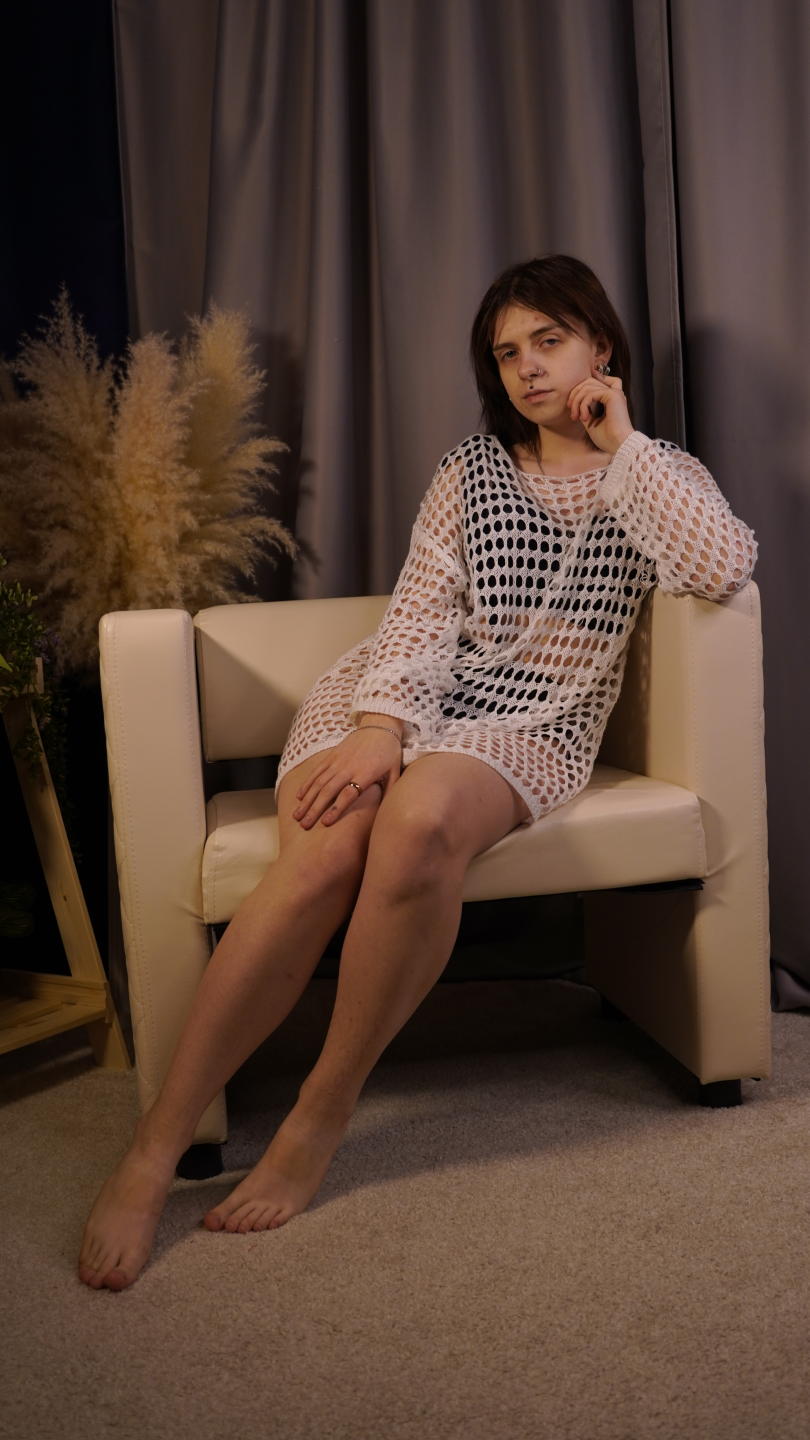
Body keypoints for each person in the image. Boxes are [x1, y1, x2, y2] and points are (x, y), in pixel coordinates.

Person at [78, 254, 757, 1290]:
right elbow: (420, 613)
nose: (528, 368)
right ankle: (153, 1148)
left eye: (549, 342)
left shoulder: (656, 473)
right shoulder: (470, 471)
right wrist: (378, 728)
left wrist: (622, 442)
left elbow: (723, 565)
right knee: (321, 858)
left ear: (600, 346)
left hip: (533, 725)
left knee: (422, 820)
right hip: (393, 697)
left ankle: (322, 1111)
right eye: (508, 352)